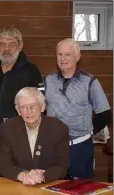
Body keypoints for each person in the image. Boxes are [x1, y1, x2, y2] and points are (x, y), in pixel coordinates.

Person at [44, 38, 111, 179]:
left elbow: (105, 114)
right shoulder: (48, 80)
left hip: (80, 148)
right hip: (54, 147)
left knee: (80, 191)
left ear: (77, 56)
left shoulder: (90, 81)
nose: (63, 58)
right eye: (60, 54)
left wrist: (88, 131)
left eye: (67, 54)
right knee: (52, 189)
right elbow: (40, 110)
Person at [0, 28, 43, 159]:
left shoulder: (31, 71)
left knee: (11, 172)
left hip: (17, 135)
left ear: (20, 45)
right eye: (2, 44)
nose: (6, 49)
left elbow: (40, 105)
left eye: (11, 44)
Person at [0, 88, 69, 185]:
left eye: (33, 106)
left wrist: (43, 176)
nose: (28, 111)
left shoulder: (59, 128)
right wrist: (22, 175)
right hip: (17, 185)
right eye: (23, 107)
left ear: (42, 107)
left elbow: (62, 166)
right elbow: (3, 165)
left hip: (48, 185)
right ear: (18, 110)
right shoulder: (7, 128)